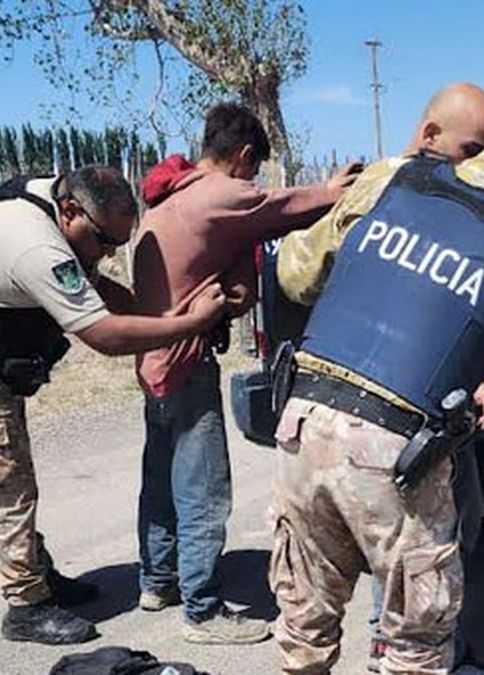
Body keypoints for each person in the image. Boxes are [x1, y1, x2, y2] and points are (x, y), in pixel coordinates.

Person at [269, 122, 484, 674]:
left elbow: (294, 270)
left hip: (303, 423)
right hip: (394, 455)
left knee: (304, 631)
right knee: (415, 651)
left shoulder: (394, 179)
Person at [0, 166, 227, 646]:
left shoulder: (57, 205)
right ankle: (26, 605)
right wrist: (191, 323)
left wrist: (160, 315)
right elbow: (104, 335)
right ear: (71, 212)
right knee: (0, 481)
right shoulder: (34, 243)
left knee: (10, 469)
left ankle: (35, 572)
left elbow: (91, 285)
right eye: (105, 240)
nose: (108, 253)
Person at [130, 102, 360, 645]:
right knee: (203, 486)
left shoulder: (172, 196)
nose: (253, 181)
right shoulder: (217, 194)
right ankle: (203, 611)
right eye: (253, 170)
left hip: (153, 358)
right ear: (244, 156)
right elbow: (285, 208)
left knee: (161, 478)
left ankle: (158, 580)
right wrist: (337, 190)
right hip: (184, 361)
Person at [360, 82, 484, 672]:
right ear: (429, 136)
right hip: (399, 406)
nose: (482, 166)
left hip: (421, 401)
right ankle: (407, 651)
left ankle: (414, 645)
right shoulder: (391, 192)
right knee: (414, 542)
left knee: (425, 534)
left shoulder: (415, 193)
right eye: (473, 150)